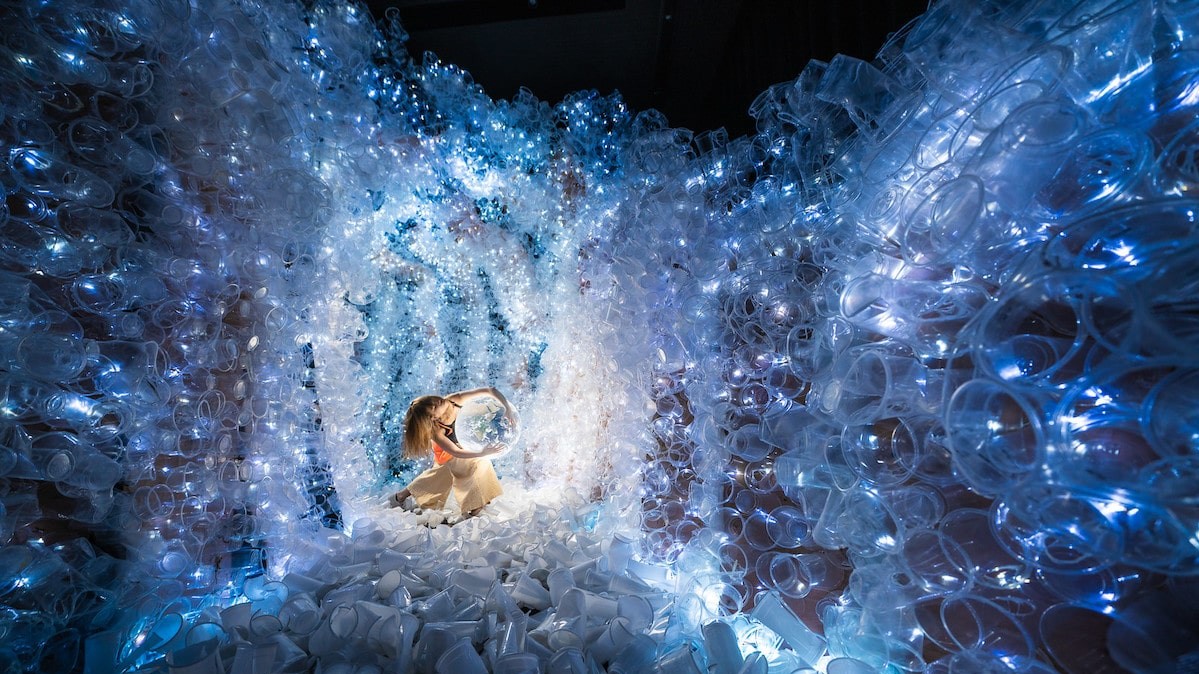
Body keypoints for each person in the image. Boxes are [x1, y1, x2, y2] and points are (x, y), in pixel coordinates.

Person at [388, 386, 515, 520]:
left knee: (437, 477)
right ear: (434, 418)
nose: (436, 402)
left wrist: (507, 408)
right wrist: (482, 453)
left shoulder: (453, 401)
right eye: (433, 407)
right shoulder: (437, 430)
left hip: (463, 449)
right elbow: (455, 452)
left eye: (432, 400)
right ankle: (475, 507)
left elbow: (490, 390)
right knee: (480, 463)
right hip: (449, 455)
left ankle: (399, 497)